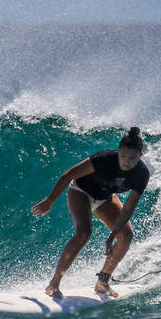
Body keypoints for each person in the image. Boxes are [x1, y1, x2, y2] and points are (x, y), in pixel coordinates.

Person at [31, 126, 150, 298]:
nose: (126, 161)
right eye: (122, 156)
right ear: (118, 152)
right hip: (81, 192)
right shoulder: (105, 159)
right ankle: (54, 283)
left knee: (126, 235)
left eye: (132, 158)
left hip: (105, 199)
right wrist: (49, 201)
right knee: (84, 233)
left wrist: (112, 235)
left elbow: (129, 207)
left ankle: (103, 282)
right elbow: (69, 175)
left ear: (141, 156)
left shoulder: (141, 174)